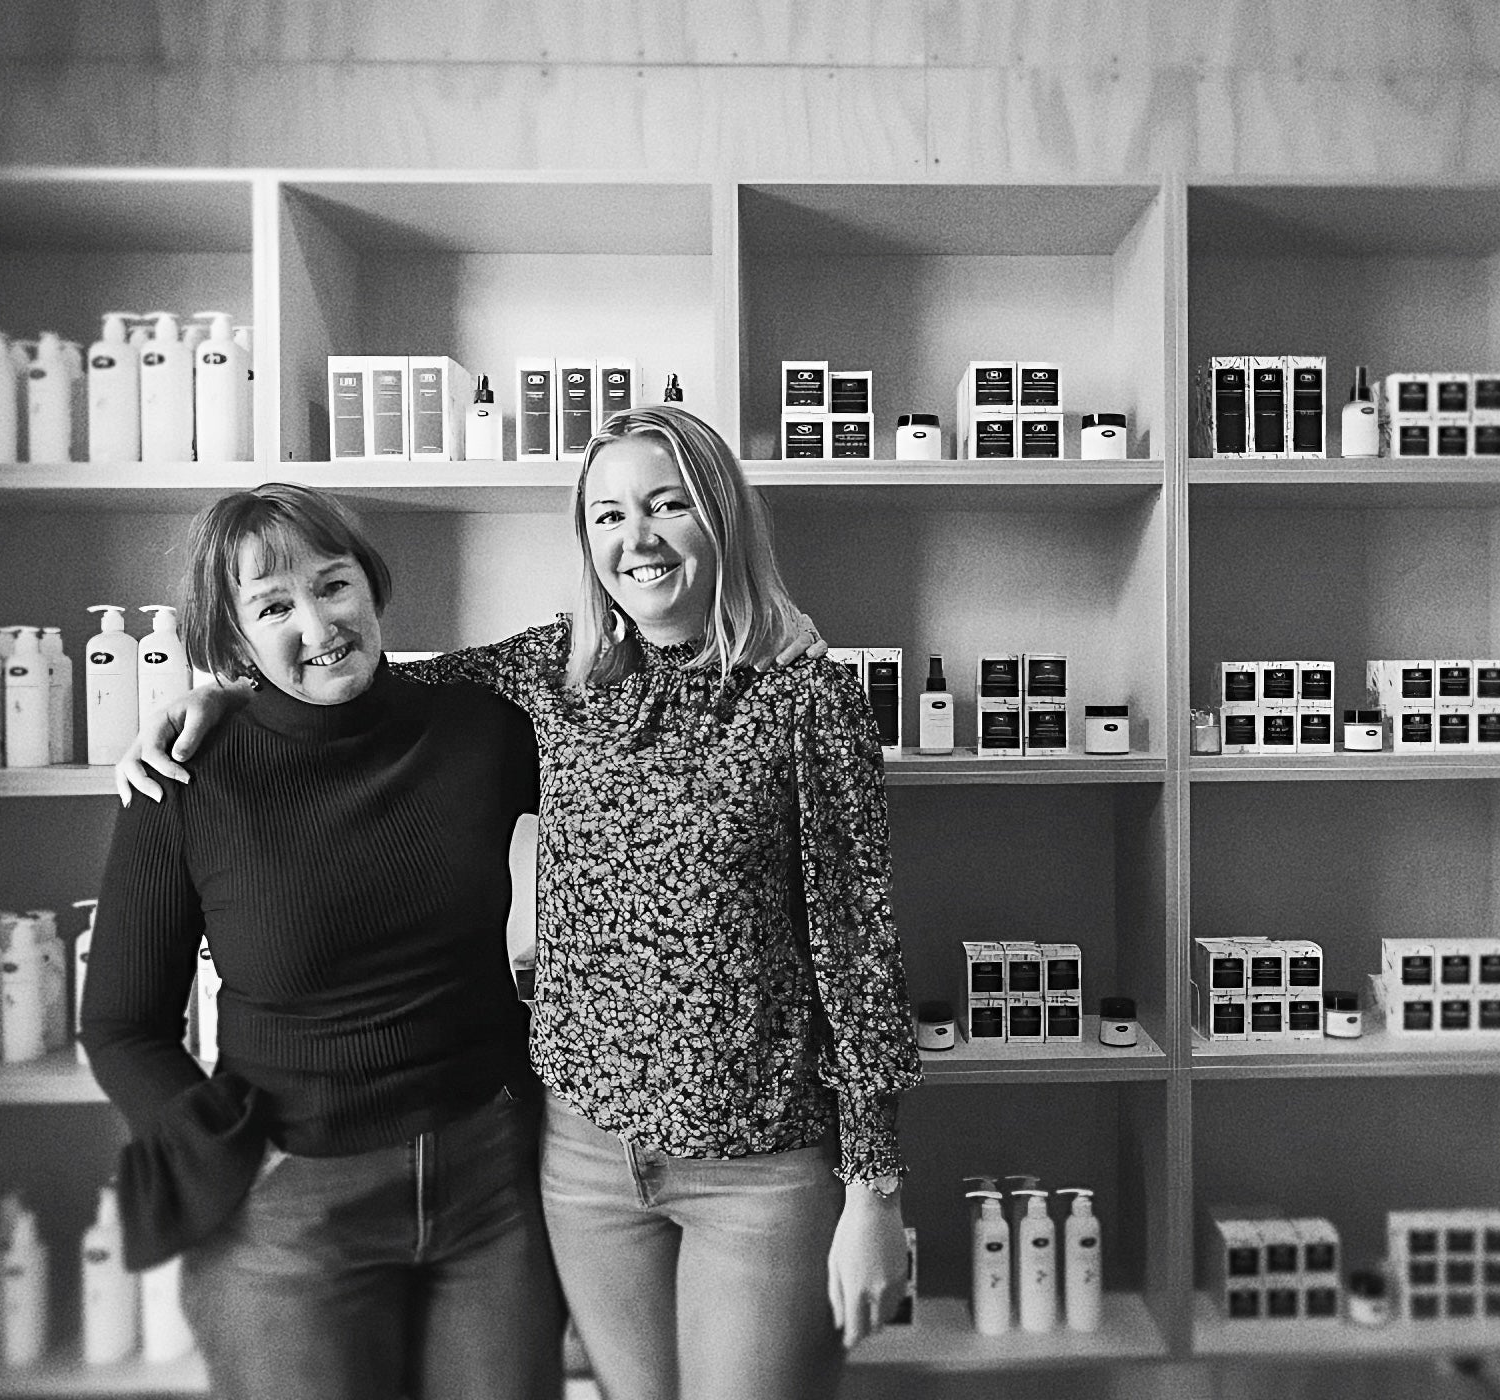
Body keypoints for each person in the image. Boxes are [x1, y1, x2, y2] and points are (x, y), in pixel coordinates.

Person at [122, 406, 922, 1400]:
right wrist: (222, 696)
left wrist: (876, 1188)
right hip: (582, 1154)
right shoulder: (553, 673)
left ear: (719, 514)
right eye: (608, 514)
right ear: (585, 539)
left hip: (756, 1156)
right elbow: (364, 688)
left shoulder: (807, 697)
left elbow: (857, 952)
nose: (637, 537)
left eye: (668, 504)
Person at [81, 483, 562, 1400]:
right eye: (272, 606)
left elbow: (627, 711)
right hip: (292, 1207)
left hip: (491, 1193)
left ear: (371, 586)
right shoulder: (187, 781)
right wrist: (229, 1153)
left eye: (332, 585)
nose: (317, 623)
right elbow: (121, 1026)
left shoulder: (479, 728)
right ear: (234, 640)